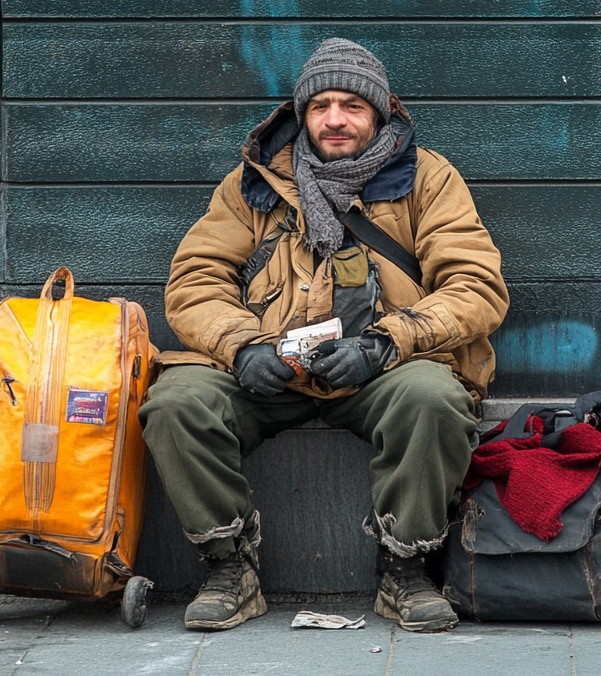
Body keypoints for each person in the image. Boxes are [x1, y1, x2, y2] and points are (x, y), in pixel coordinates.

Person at [140, 38, 509, 633]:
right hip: (274, 365)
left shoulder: (428, 179)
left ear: (380, 113)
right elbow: (195, 280)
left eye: (352, 106)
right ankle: (229, 565)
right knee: (176, 403)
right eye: (321, 106)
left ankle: (405, 567)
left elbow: (476, 285)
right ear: (302, 114)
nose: (335, 119)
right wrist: (241, 347)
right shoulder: (253, 183)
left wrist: (388, 343)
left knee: (434, 399)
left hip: (380, 368)